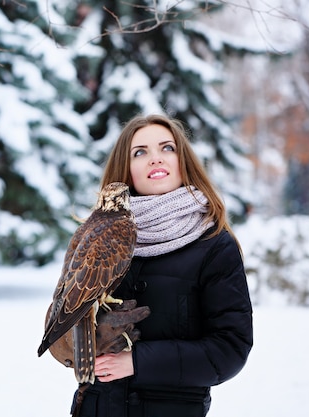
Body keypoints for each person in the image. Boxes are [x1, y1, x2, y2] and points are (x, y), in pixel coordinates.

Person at [71, 113, 253, 417]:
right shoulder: (99, 239)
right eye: (140, 152)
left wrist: (136, 361)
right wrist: (79, 336)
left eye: (167, 148)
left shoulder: (214, 245)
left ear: (184, 161)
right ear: (126, 170)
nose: (155, 159)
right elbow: (67, 320)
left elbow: (230, 348)